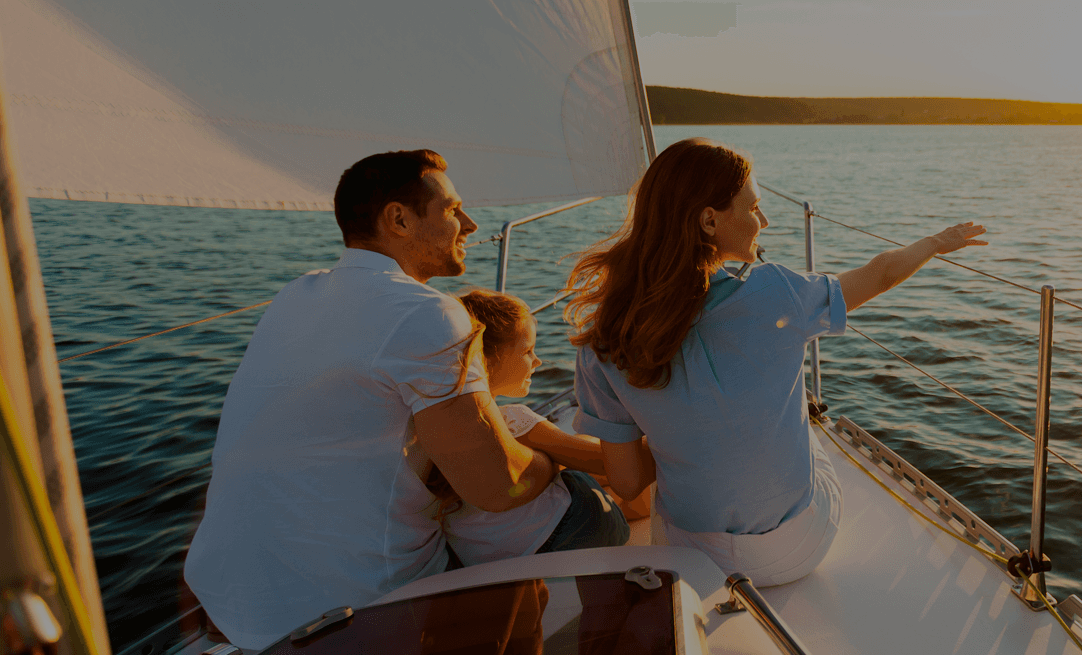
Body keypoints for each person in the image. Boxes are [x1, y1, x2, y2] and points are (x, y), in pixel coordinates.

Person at [184, 150, 592, 649]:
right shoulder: (426, 314)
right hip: (353, 607)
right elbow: (496, 485)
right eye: (452, 210)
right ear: (398, 218)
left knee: (514, 579)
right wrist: (553, 462)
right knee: (579, 515)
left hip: (234, 597)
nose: (470, 223)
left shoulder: (296, 294)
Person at [566, 137, 987, 585]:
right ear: (709, 220)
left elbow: (627, 484)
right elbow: (880, 273)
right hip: (794, 548)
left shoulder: (603, 340)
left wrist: (684, 440)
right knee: (808, 426)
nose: (763, 221)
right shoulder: (777, 293)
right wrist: (936, 242)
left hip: (691, 556)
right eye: (753, 208)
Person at [429, 289, 630, 567]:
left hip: (484, 561)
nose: (537, 361)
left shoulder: (432, 428)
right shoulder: (511, 421)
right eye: (527, 351)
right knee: (591, 473)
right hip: (570, 535)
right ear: (488, 360)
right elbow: (608, 462)